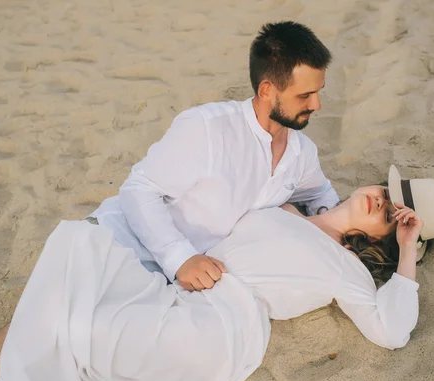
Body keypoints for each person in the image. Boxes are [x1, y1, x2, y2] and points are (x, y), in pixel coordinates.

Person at [0, 165, 434, 381]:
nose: (380, 203)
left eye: (391, 216)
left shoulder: (346, 268)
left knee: (84, 331)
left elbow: (391, 332)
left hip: (220, 323)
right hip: (179, 286)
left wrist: (409, 249)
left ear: (384, 240)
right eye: (386, 194)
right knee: (78, 254)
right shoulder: (286, 204)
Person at [91, 20, 340, 292]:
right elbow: (138, 189)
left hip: (182, 284)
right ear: (267, 90)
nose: (316, 105)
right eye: (305, 95)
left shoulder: (301, 152)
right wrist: (180, 258)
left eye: (319, 92)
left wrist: (334, 223)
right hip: (120, 248)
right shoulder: (206, 128)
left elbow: (320, 194)